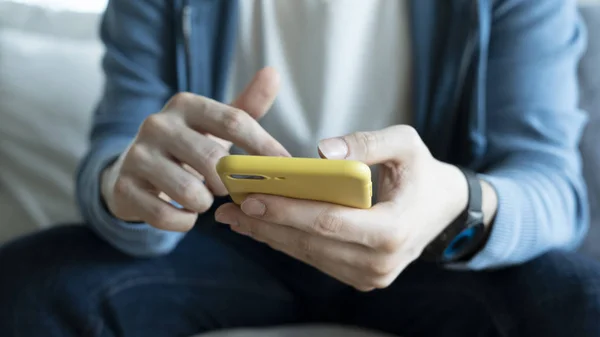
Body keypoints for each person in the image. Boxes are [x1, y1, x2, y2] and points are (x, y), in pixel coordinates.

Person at [1, 0, 599, 336]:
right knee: (24, 286)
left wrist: (456, 203)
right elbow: (113, 157)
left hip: (432, 250)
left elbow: (553, 187)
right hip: (225, 234)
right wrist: (126, 187)